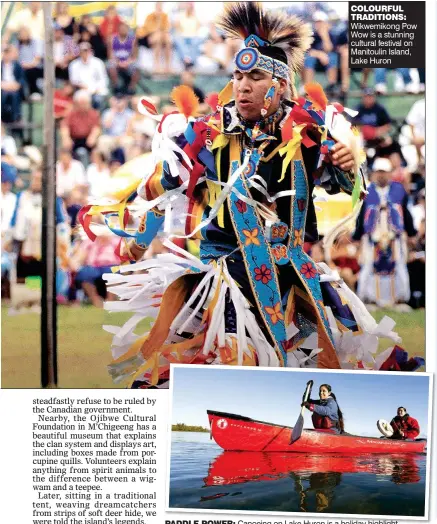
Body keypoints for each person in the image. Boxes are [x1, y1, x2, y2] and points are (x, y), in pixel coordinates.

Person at [81, 3, 423, 388]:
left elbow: (347, 184)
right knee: (228, 371)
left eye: (255, 76)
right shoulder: (207, 134)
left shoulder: (308, 136)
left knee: (328, 365)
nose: (243, 85)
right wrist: (139, 242)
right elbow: (167, 183)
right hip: (228, 283)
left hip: (293, 280)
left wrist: (347, 164)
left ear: (279, 84)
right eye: (238, 75)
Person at [353, 157, 416, 307]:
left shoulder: (398, 190)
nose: (381, 175)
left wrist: (411, 233)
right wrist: (357, 235)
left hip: (394, 237)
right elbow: (361, 215)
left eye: (384, 172)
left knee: (400, 265)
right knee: (368, 266)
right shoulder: (368, 191)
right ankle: (366, 298)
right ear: (374, 173)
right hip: (372, 237)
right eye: (378, 172)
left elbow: (405, 213)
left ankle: (401, 298)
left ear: (390, 173)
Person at [68, 42, 109, 110]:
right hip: (82, 90)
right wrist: (85, 87)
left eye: (86, 50)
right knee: (81, 99)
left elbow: (103, 78)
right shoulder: (74, 64)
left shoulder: (98, 63)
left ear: (90, 51)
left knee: (98, 99)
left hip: (97, 89)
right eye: (82, 50)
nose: (84, 52)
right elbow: (74, 80)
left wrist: (96, 88)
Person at [137, 2, 172, 73]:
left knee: (168, 39)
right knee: (158, 37)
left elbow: (167, 28)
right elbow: (148, 29)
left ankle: (167, 66)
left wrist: (160, 29)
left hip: (162, 37)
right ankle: (157, 65)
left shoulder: (164, 16)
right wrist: (158, 25)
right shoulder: (150, 16)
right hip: (151, 37)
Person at [108, 22, 139, 94]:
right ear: (118, 30)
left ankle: (131, 88)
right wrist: (118, 63)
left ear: (128, 30)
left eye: (125, 29)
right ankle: (116, 87)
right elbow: (110, 55)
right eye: (121, 29)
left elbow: (134, 57)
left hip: (128, 62)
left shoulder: (132, 40)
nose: (123, 30)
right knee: (111, 66)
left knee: (137, 67)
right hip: (116, 61)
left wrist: (127, 63)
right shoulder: (112, 39)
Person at [1, 45, 25, 124]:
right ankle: (2, 117)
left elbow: (21, 79)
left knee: (14, 95)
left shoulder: (17, 65)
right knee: (3, 95)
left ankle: (16, 117)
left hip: (14, 87)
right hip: (3, 87)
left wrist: (17, 85)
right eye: (5, 53)